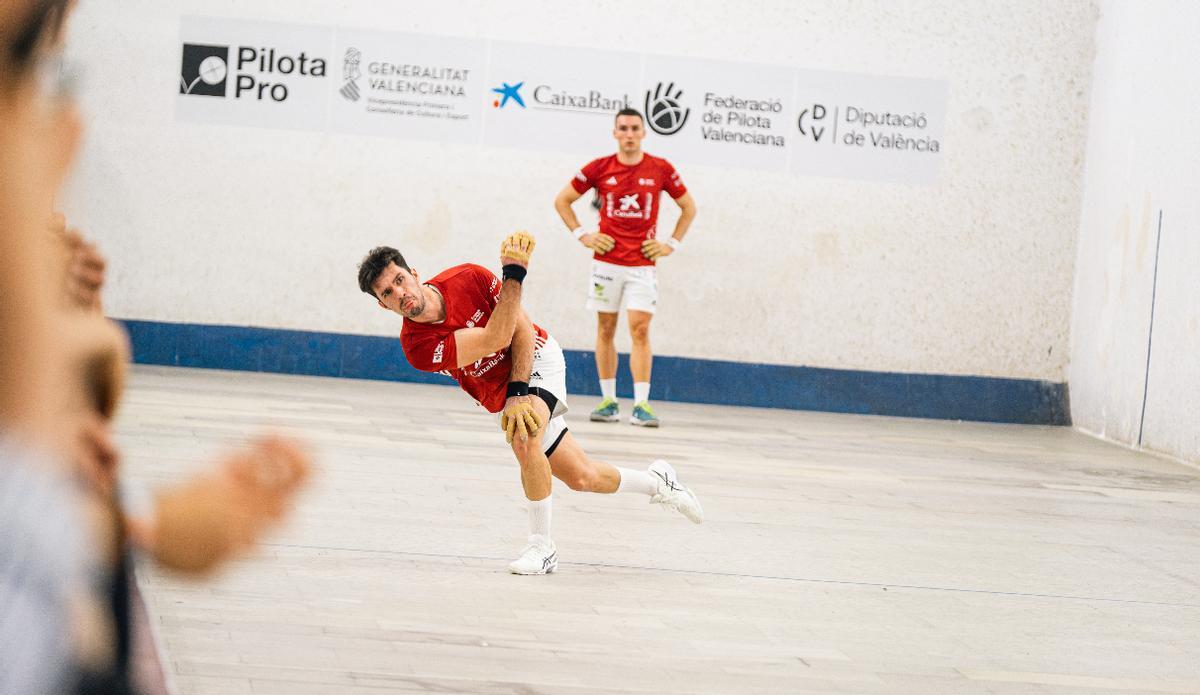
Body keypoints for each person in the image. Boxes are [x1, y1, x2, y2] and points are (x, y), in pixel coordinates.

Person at [356, 232, 703, 575]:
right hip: (500, 394)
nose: (400, 293)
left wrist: (520, 390)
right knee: (583, 477)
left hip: (537, 359)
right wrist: (514, 275)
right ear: (381, 304)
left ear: (414, 274)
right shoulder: (417, 347)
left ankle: (542, 547)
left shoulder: (469, 277)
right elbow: (495, 337)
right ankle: (659, 482)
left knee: (525, 436)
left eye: (400, 280)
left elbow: (519, 329)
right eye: (387, 292)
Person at [553, 107, 697, 427]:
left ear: (643, 133)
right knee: (605, 329)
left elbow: (688, 207)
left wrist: (670, 244)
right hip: (606, 264)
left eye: (635, 128)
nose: (629, 134)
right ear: (615, 133)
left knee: (640, 329)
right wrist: (583, 235)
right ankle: (608, 401)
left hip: (642, 266)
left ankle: (642, 405)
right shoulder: (600, 167)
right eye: (624, 129)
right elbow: (562, 200)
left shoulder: (660, 168)